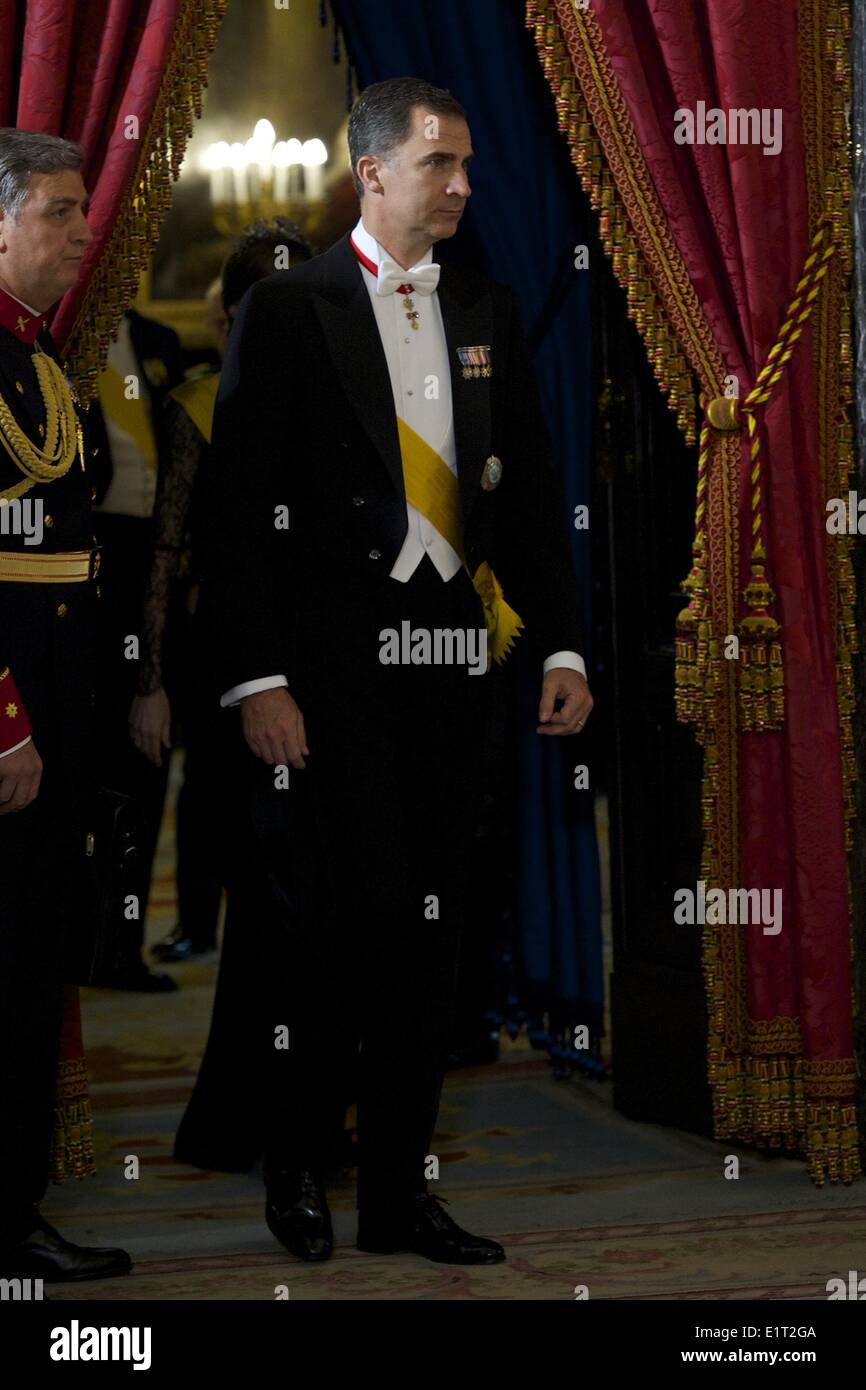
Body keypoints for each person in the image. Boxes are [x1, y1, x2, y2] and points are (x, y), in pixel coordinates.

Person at [201, 77, 593, 1266]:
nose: (464, 185)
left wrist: (561, 643)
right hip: (326, 685)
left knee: (430, 946)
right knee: (327, 935)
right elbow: (232, 517)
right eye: (441, 164)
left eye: (468, 165)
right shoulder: (287, 307)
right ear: (371, 172)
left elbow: (527, 495)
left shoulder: (484, 302)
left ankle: (397, 1193)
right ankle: (297, 1162)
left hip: (451, 678)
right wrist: (255, 679)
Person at [0, 127, 130, 1281]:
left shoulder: (40, 357)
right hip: (9, 719)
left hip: (58, 707)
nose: (83, 231)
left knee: (35, 960)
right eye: (59, 210)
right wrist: (4, 721)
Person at [131, 221, 312, 969]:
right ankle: (208, 932)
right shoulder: (198, 405)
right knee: (225, 816)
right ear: (234, 312)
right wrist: (151, 683)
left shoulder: (342, 399)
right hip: (221, 651)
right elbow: (165, 551)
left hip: (321, 648)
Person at [88, 308, 185, 992]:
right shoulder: (60, 335)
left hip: (150, 567)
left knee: (145, 760)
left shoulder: (156, 341)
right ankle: (79, 942)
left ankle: (122, 946)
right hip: (81, 564)